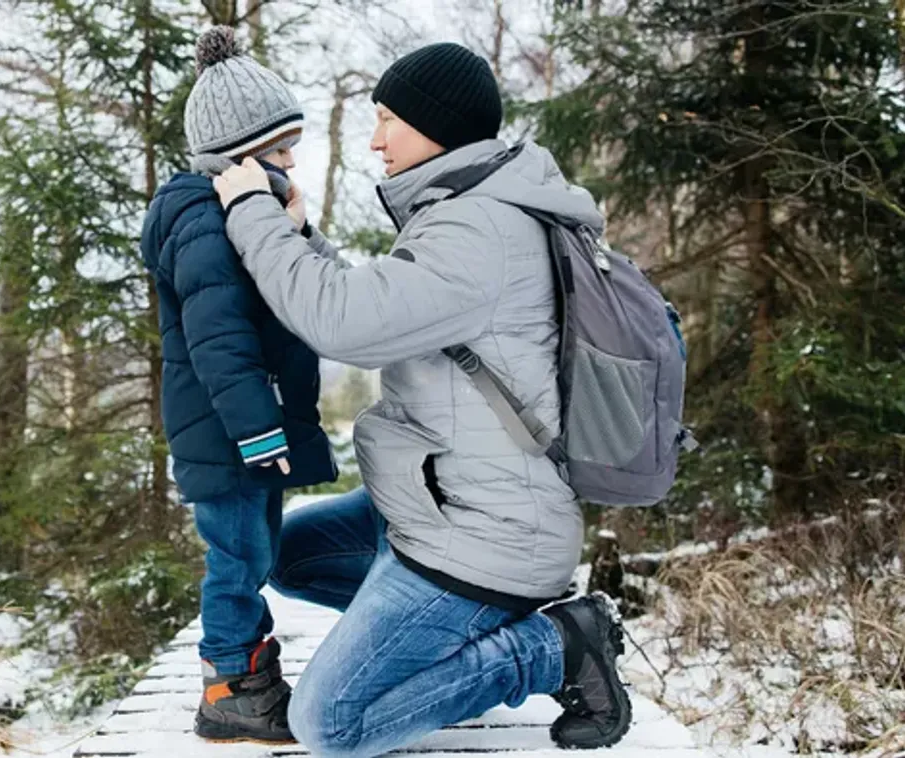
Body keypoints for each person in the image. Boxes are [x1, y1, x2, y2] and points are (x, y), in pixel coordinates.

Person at [211, 41, 632, 756]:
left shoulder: (480, 229)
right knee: (290, 556)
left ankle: (553, 648)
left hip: (488, 533)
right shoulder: (470, 210)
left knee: (330, 724)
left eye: (387, 120)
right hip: (440, 502)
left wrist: (251, 210)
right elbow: (383, 303)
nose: (375, 141)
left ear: (436, 125)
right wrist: (302, 237)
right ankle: (455, 639)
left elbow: (342, 323)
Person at [139, 25, 337, 744]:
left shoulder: (235, 216)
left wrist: (295, 231)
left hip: (242, 430)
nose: (292, 162)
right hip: (228, 433)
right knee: (236, 559)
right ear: (240, 156)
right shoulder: (202, 222)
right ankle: (229, 686)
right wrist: (257, 428)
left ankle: (250, 674)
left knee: (252, 552)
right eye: (280, 151)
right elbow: (218, 339)